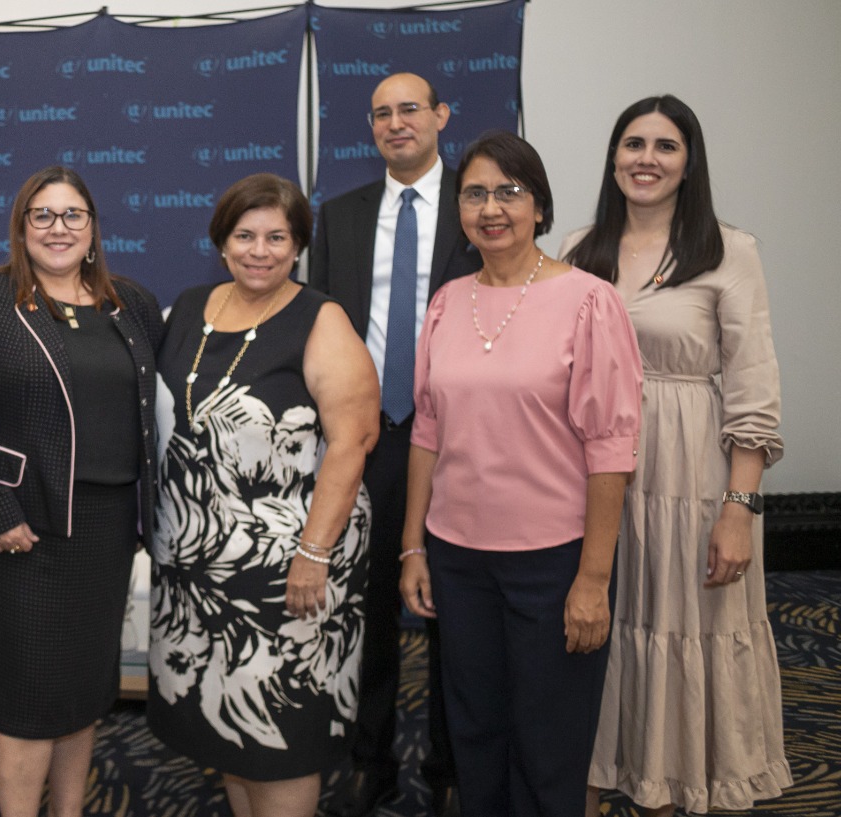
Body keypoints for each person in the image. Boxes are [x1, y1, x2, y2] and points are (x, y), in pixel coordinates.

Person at [398, 131, 643, 817]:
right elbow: (427, 432)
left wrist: (593, 579)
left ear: (539, 205)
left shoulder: (589, 301)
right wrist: (413, 546)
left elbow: (611, 448)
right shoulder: (447, 302)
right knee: (475, 732)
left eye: (509, 191)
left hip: (553, 561)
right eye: (474, 194)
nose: (491, 208)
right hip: (458, 557)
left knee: (547, 743)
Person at [562, 96, 790, 816]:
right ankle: (592, 777)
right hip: (593, 475)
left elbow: (753, 389)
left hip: (688, 477)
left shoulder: (728, 250)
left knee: (680, 631)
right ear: (614, 157)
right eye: (634, 143)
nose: (647, 159)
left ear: (689, 164)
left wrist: (738, 510)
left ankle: (671, 787)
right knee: (603, 631)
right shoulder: (578, 249)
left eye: (666, 146)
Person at [150, 173, 380, 817]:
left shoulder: (320, 319)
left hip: (290, 566)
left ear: (299, 245)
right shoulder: (189, 307)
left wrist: (313, 554)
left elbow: (353, 441)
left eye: (277, 237)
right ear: (221, 241)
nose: (260, 251)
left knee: (280, 739)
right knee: (230, 732)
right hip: (200, 566)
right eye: (245, 235)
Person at [0, 166, 163, 817]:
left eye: (72, 215)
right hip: (21, 530)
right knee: (25, 696)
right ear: (21, 227)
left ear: (92, 230)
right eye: (42, 214)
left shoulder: (131, 303)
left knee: (84, 690)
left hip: (106, 530)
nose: (57, 227)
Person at [309, 71, 472, 817]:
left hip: (461, 442)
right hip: (369, 438)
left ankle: (450, 766)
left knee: (456, 611)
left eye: (410, 109)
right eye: (382, 113)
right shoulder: (339, 216)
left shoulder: (478, 207)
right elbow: (322, 329)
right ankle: (367, 764)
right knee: (365, 612)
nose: (396, 122)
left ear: (441, 116)